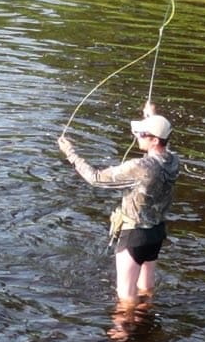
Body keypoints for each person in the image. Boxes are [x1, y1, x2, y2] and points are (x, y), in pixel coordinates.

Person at [58, 103, 182, 305]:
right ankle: (145, 318)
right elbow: (163, 146)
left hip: (135, 235)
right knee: (146, 287)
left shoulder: (139, 167)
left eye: (142, 134)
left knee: (125, 296)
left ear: (154, 140)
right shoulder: (174, 161)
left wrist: (70, 153)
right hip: (156, 233)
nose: (137, 136)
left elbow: (96, 178)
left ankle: (124, 326)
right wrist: (151, 117)